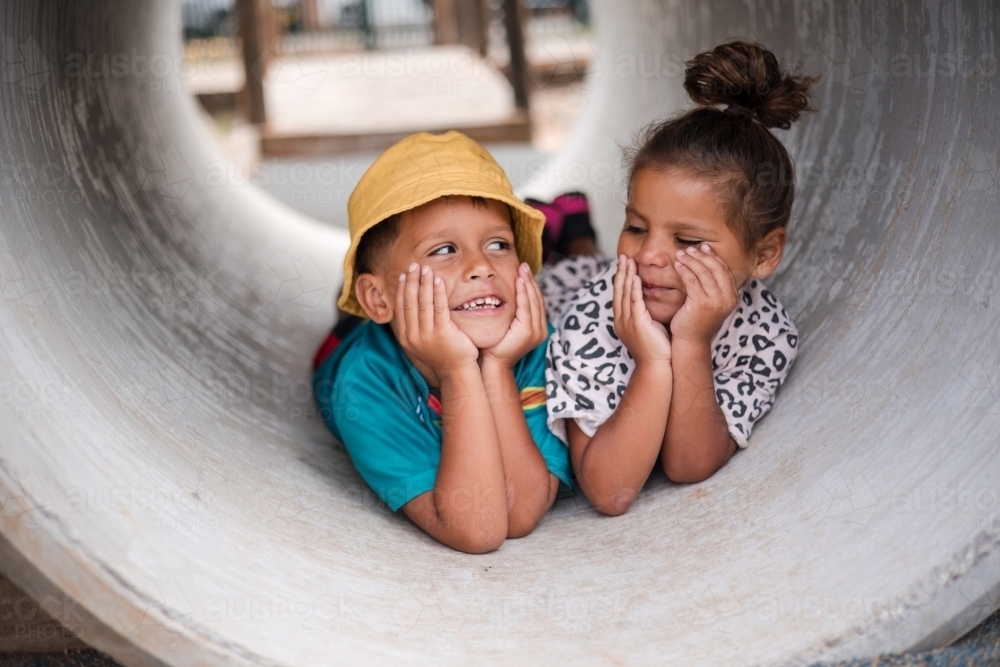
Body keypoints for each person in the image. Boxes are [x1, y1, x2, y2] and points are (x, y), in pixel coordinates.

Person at [543, 40, 813, 516]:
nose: (649, 256)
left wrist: (688, 346)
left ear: (764, 254)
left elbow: (689, 464)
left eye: (687, 241)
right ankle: (562, 232)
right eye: (636, 227)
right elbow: (607, 490)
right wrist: (649, 359)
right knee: (556, 270)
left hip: (618, 285)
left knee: (590, 259)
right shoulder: (596, 315)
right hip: (565, 291)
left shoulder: (765, 334)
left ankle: (572, 229)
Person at [312, 131, 572, 554]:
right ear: (378, 298)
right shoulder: (363, 386)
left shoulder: (534, 344)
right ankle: (362, 302)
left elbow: (519, 513)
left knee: (572, 270)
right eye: (445, 249)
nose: (481, 266)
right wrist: (456, 370)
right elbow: (478, 529)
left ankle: (567, 231)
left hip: (427, 315)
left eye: (499, 244)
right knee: (344, 326)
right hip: (346, 352)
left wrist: (498, 369)